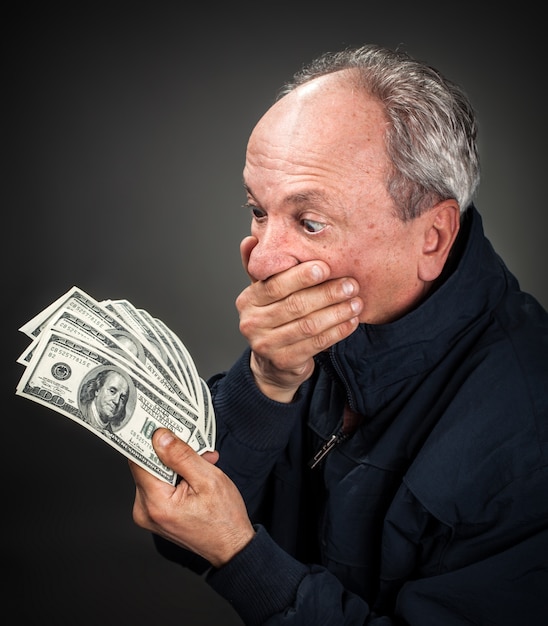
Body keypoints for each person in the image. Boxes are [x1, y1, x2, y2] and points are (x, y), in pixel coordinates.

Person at [128, 44, 548, 625]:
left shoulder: (530, 436)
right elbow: (182, 527)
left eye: (310, 221)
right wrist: (266, 383)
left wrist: (241, 555)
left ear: (432, 237)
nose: (261, 259)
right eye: (257, 210)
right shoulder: (331, 326)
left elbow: (221, 537)